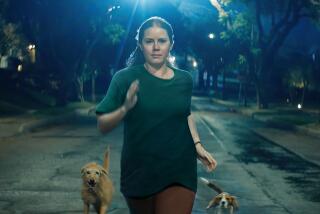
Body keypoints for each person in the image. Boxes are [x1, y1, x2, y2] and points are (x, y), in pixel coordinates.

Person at [95, 16, 217, 214]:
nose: (156, 47)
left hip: (179, 169)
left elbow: (185, 114)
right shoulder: (124, 78)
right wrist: (124, 108)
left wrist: (197, 145)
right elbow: (102, 124)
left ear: (171, 44)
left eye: (162, 41)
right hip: (139, 171)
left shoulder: (184, 80)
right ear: (140, 45)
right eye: (149, 41)